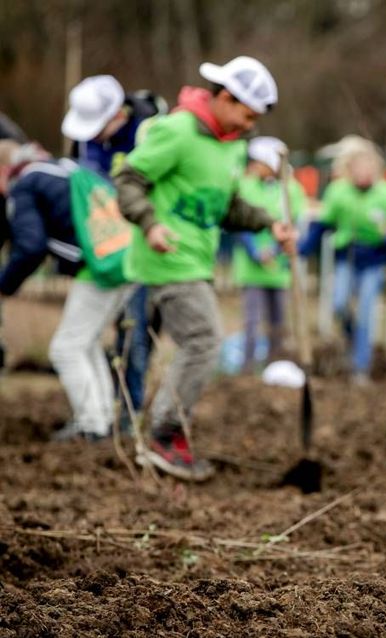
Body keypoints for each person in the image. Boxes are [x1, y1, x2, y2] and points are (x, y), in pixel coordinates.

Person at [115, 55, 296, 481]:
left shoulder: (230, 146)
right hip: (165, 259)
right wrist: (150, 223)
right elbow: (129, 180)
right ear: (225, 98)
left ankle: (140, 432)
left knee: (137, 351)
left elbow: (227, 206)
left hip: (195, 260)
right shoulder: (176, 131)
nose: (251, 125)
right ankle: (164, 435)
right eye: (246, 114)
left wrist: (271, 223)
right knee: (204, 340)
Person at [0, 143, 136, 441]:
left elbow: (30, 247)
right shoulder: (65, 168)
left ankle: (92, 426)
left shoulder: (25, 184)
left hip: (99, 266)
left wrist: (4, 285)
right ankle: (102, 420)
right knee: (85, 344)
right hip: (126, 257)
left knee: (66, 349)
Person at [62, 75, 167, 430]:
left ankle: (131, 414)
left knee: (133, 332)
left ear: (118, 115)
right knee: (97, 337)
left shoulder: (148, 132)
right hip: (106, 251)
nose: (91, 137)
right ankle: (104, 413)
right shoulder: (88, 142)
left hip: (141, 246)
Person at [301, 135, 386, 385]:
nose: (364, 174)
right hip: (346, 257)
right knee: (338, 304)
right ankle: (352, 336)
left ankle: (360, 367)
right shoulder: (338, 192)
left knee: (367, 311)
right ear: (350, 170)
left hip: (374, 260)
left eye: (369, 169)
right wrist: (301, 250)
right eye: (359, 169)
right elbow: (322, 225)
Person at [232, 136, 307, 372]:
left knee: (279, 321)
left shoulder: (291, 190)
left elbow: (295, 224)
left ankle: (276, 366)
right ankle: (248, 369)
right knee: (252, 321)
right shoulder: (245, 186)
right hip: (252, 267)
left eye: (258, 162)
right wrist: (255, 250)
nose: (253, 167)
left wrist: (275, 250)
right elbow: (238, 221)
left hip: (279, 267)